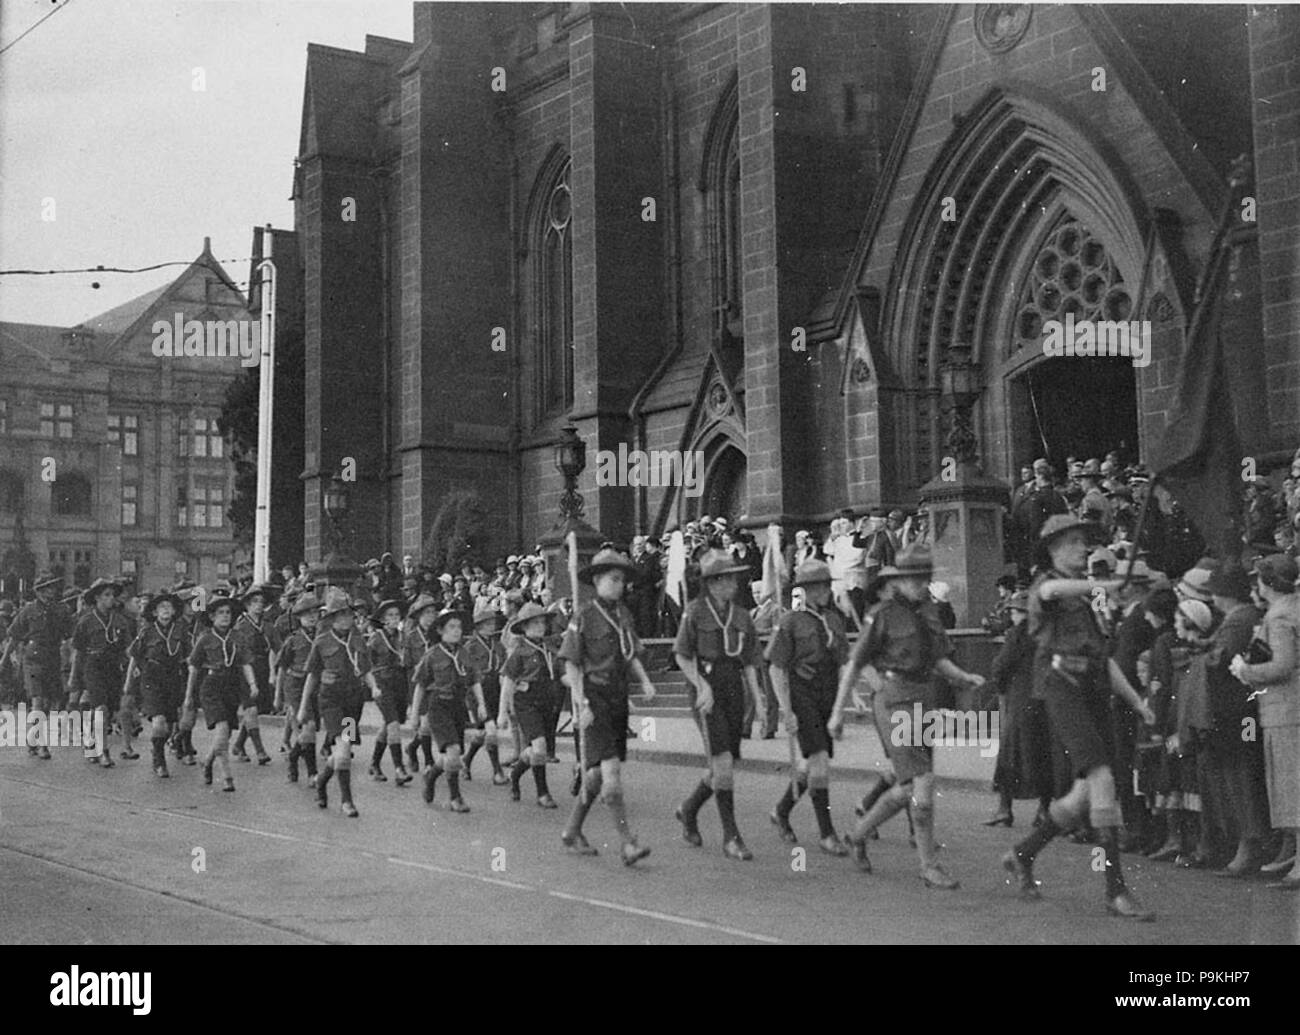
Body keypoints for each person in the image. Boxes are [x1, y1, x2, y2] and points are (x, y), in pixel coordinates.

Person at [1000, 514, 1158, 919]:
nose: (1081, 548)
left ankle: (1024, 852)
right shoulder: (1046, 587)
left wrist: (1137, 702)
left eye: (1082, 542)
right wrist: (1105, 585)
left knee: (1083, 795)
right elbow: (1051, 589)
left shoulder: (1085, 603)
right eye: (1071, 542)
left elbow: (1104, 661)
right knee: (1103, 779)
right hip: (1061, 688)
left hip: (1091, 692)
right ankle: (1115, 890)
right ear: (1052, 549)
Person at [831, 545, 986, 887]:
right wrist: (837, 714)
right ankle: (928, 865)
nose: (919, 584)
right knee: (924, 784)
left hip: (923, 698)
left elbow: (938, 658)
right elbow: (856, 663)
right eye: (912, 578)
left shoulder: (930, 612)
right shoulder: (882, 614)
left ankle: (857, 835)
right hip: (894, 699)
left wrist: (961, 677)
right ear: (898, 580)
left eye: (924, 577)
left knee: (907, 789)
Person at [558, 548, 657, 863]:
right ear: (598, 580)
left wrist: (644, 680)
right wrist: (580, 702)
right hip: (594, 698)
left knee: (596, 776)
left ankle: (572, 831)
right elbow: (571, 665)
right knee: (611, 776)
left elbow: (630, 654)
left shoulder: (623, 614)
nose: (619, 585)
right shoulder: (583, 616)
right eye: (613, 579)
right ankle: (629, 843)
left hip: (617, 698)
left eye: (622, 580)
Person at [672, 550, 766, 860]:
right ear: (712, 583)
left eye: (734, 578)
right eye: (727, 578)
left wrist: (759, 700)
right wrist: (701, 686)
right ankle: (731, 837)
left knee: (722, 766)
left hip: (733, 689)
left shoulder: (741, 615)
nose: (734, 584)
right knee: (723, 764)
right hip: (706, 688)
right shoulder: (695, 612)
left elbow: (751, 660)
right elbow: (682, 655)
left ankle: (689, 809)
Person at [767, 559, 851, 856]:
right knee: (819, 763)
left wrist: (848, 697)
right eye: (819, 585)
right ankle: (827, 834)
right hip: (802, 691)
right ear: (806, 589)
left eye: (827, 584)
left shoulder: (835, 619)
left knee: (810, 764)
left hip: (826, 694)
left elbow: (843, 660)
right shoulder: (791, 621)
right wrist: (785, 709)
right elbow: (776, 669)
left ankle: (781, 810)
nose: (825, 590)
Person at [1230, 553, 1300, 890]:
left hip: (1285, 710)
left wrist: (1247, 672)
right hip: (1288, 709)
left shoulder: (1281, 616)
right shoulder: (1293, 608)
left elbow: (1283, 666)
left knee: (1291, 786)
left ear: (1268, 583)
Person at [1200, 566, 1269, 877]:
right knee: (1243, 772)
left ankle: (1249, 843)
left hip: (1237, 711)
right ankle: (1250, 841)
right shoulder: (1245, 617)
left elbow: (1220, 659)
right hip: (1243, 710)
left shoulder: (1239, 620)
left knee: (1240, 774)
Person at [300, 591, 381, 818]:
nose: (346, 619)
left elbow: (365, 669)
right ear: (332, 618)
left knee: (342, 752)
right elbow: (312, 676)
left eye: (349, 614)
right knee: (343, 750)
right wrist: (302, 707)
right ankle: (347, 801)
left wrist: (373, 687)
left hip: (352, 703)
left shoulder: (357, 640)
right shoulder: (322, 642)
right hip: (331, 701)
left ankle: (322, 781)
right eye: (341, 615)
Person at [984, 591, 1053, 827]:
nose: (1011, 615)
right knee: (1042, 755)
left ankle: (1004, 808)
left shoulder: (1017, 634)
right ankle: (1044, 810)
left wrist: (1000, 685)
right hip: (1044, 700)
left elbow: (1001, 665)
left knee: (1010, 754)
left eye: (1013, 611)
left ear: (1021, 613)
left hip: (1019, 699)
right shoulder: (1046, 632)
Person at [409, 606, 488, 813]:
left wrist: (481, 704)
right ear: (441, 630)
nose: (456, 631)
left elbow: (474, 680)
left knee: (452, 756)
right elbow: (420, 685)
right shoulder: (432, 655)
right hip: (438, 706)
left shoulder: (464, 652)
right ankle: (455, 797)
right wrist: (415, 715)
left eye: (459, 627)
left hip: (457, 706)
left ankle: (431, 775)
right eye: (451, 627)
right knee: (453, 753)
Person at [184, 594, 259, 793]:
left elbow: (245, 663)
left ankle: (207, 762)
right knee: (222, 730)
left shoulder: (237, 637)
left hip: (232, 686)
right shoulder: (205, 638)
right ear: (212, 616)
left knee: (225, 734)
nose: (225, 616)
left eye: (228, 613)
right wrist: (188, 696)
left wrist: (253, 685)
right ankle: (227, 776)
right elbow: (193, 666)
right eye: (220, 613)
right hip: (211, 685)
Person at [498, 601, 563, 808]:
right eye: (533, 624)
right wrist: (502, 712)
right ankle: (542, 793)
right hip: (526, 702)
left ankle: (516, 775)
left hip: (548, 701)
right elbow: (507, 682)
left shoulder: (550, 647)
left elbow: (562, 672)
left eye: (542, 623)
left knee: (535, 751)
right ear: (524, 628)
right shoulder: (519, 652)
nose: (539, 627)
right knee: (540, 746)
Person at [4, 571, 74, 760]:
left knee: (50, 703)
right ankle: (42, 743)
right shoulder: (28, 610)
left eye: (50, 587)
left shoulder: (62, 610)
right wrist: (3, 660)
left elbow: (70, 636)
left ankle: (33, 737)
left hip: (53, 658)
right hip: (33, 659)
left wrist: (71, 659)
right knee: (38, 701)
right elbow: (15, 636)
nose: (46, 592)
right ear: (37, 591)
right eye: (42, 589)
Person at [124, 591, 190, 778]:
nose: (166, 610)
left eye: (169, 607)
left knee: (168, 726)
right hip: (151, 678)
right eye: (162, 607)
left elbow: (188, 656)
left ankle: (158, 747)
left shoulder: (180, 630)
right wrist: (129, 683)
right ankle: (159, 760)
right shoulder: (147, 631)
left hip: (173, 678)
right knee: (159, 723)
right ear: (154, 612)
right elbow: (134, 656)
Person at [70, 578, 135, 767]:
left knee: (109, 709)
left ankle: (91, 740)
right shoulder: (86, 620)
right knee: (101, 708)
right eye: (106, 595)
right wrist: (74, 678)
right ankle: (103, 750)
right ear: (97, 598)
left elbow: (128, 647)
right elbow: (78, 651)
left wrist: (134, 663)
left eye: (112, 595)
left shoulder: (121, 620)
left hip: (113, 666)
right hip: (93, 665)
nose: (111, 599)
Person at [230, 583, 280, 765]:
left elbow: (277, 648)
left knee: (255, 711)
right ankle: (260, 751)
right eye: (254, 602)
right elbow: (240, 654)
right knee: (250, 708)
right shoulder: (240, 627)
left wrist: (273, 672)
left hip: (263, 670)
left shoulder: (268, 626)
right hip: (245, 671)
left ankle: (238, 745)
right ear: (247, 605)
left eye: (261, 602)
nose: (258, 605)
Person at [366, 598, 414, 786]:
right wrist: (373, 687)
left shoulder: (403, 637)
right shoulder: (376, 638)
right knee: (393, 724)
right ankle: (399, 768)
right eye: (390, 616)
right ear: (382, 619)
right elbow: (367, 664)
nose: (394, 619)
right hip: (382, 683)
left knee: (389, 725)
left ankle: (374, 763)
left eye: (396, 615)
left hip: (399, 684)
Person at [462, 599, 508, 785]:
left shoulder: (498, 645)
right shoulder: (470, 647)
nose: (491, 627)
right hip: (477, 692)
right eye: (487, 624)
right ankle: (497, 771)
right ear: (478, 626)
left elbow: (504, 666)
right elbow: (466, 673)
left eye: (493, 624)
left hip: (494, 690)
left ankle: (466, 761)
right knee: (490, 730)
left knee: (483, 733)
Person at [276, 593, 320, 785]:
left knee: (311, 731)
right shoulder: (292, 640)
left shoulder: (323, 637)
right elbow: (282, 669)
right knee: (308, 726)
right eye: (306, 614)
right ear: (299, 618)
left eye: (315, 613)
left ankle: (294, 757)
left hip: (316, 686)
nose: (311, 617)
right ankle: (312, 773)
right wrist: (278, 696)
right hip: (295, 685)